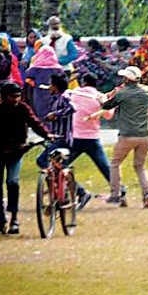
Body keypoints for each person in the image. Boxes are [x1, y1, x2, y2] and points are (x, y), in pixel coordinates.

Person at [0, 82, 54, 236]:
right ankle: (1, 223)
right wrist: (8, 146)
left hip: (16, 153)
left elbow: (34, 123)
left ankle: (14, 219)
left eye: (18, 96)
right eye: (12, 96)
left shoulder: (23, 109)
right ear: (4, 97)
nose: (16, 99)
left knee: (13, 181)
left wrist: (46, 135)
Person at [102, 66, 148, 208]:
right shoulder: (147, 91)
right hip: (145, 135)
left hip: (127, 135)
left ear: (126, 79)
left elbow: (106, 105)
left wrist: (105, 97)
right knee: (140, 166)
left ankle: (116, 194)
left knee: (115, 163)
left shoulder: (122, 93)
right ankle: (147, 194)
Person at [37, 74, 93, 210]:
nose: (49, 88)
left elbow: (71, 109)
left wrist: (55, 114)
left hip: (62, 139)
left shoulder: (64, 98)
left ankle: (76, 191)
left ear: (55, 87)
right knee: (54, 168)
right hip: (55, 138)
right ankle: (65, 193)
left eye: (51, 85)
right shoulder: (55, 100)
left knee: (44, 162)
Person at [66, 73, 123, 198]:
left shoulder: (75, 93)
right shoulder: (98, 97)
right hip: (92, 139)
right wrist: (112, 101)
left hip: (75, 138)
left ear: (83, 83)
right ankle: (120, 190)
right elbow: (108, 115)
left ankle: (80, 192)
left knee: (61, 168)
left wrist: (110, 97)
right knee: (105, 167)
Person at [25, 45, 64, 118]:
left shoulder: (35, 67)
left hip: (39, 93)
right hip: (54, 93)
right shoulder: (58, 68)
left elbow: (28, 78)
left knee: (41, 113)